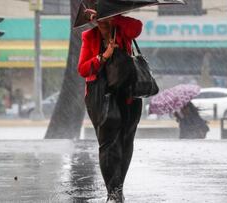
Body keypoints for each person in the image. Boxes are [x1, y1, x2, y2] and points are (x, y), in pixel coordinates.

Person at [77, 9, 143, 203]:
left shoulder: (123, 29)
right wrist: (103, 57)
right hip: (100, 96)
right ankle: (112, 193)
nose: (102, 24)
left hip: (128, 94)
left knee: (125, 141)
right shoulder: (89, 36)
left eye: (104, 19)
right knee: (107, 144)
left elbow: (137, 28)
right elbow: (82, 68)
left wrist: (113, 17)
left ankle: (118, 188)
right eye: (98, 20)